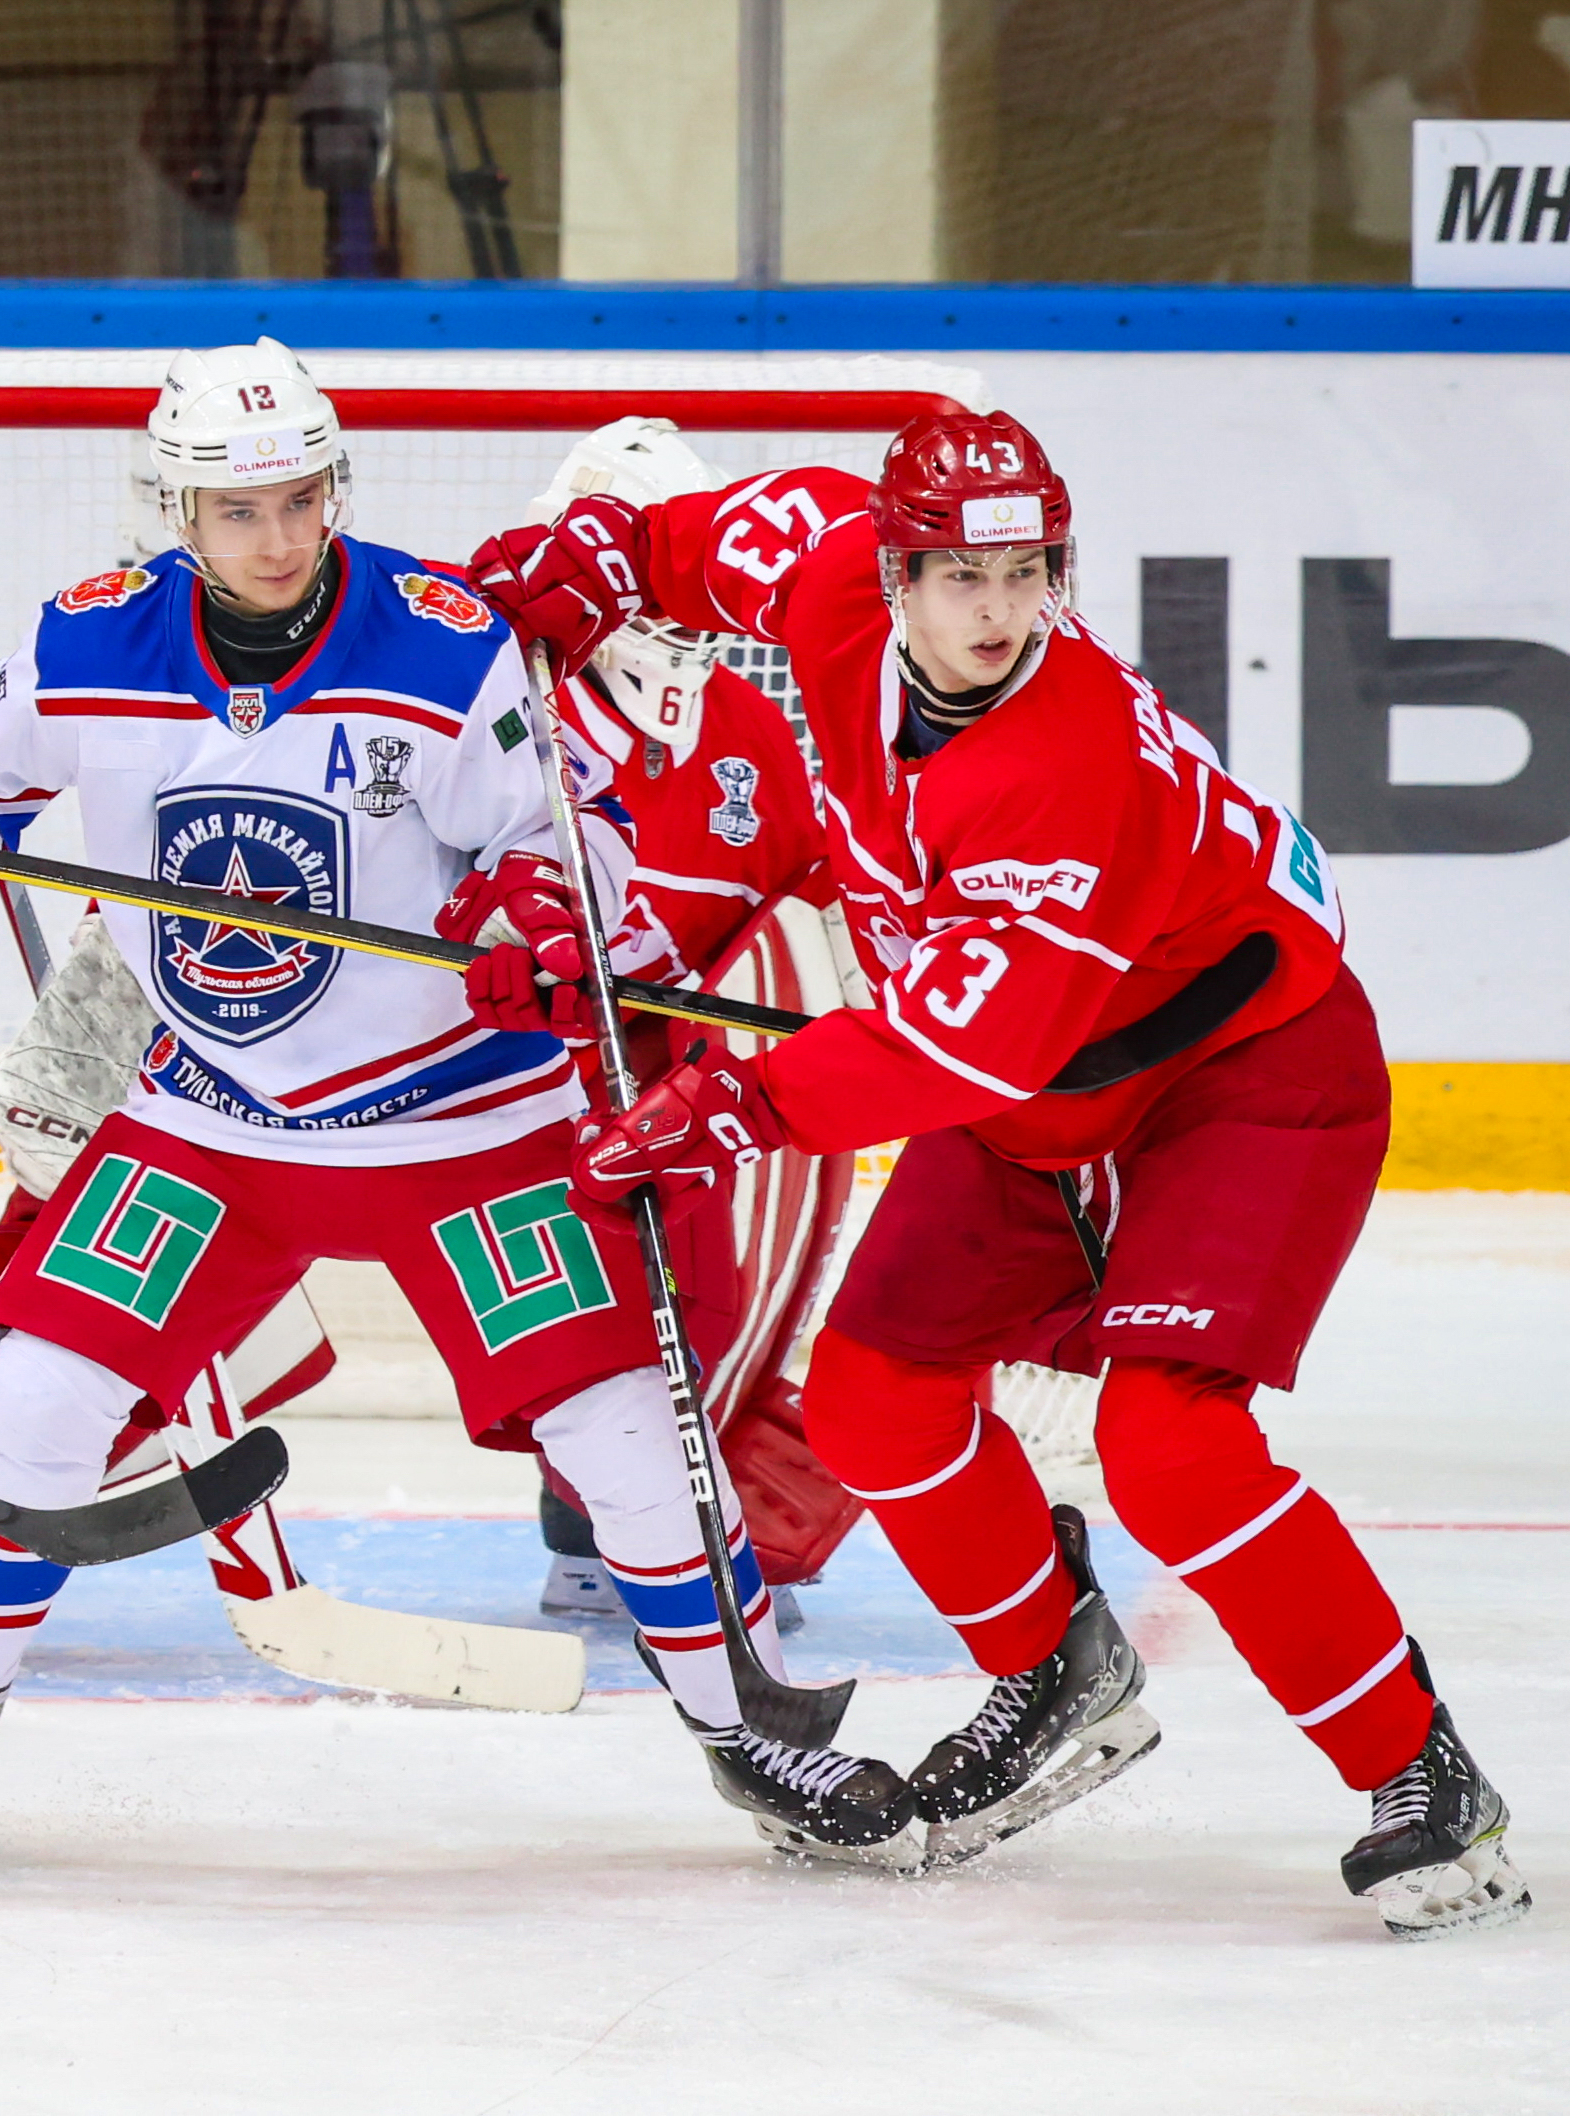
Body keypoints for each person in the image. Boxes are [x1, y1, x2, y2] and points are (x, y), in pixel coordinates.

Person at [0, 338, 914, 1874]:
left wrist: (545, 908)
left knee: (631, 1436)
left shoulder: (443, 642)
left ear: (336, 487)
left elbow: (569, 835)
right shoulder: (91, 636)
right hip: (212, 1117)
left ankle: (752, 1728)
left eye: (302, 499)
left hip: (463, 1123)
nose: (277, 536)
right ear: (178, 509)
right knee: (38, 1398)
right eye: (239, 509)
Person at [470, 409, 1530, 1938]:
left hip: (1242, 1073)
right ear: (893, 571)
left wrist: (735, 1104)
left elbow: (963, 1050)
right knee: (870, 1403)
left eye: (1028, 574)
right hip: (1043, 1087)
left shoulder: (1066, 760)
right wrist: (602, 559)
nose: (999, 611)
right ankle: (1053, 1672)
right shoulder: (825, 576)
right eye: (963, 576)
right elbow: (699, 534)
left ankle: (1420, 1772)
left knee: (1172, 1448)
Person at [507, 421, 852, 1625]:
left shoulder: (748, 727)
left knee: (710, 1297)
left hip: (668, 1097)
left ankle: (627, 1525)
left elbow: (804, 913)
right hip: (485, 1084)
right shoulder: (493, 695)